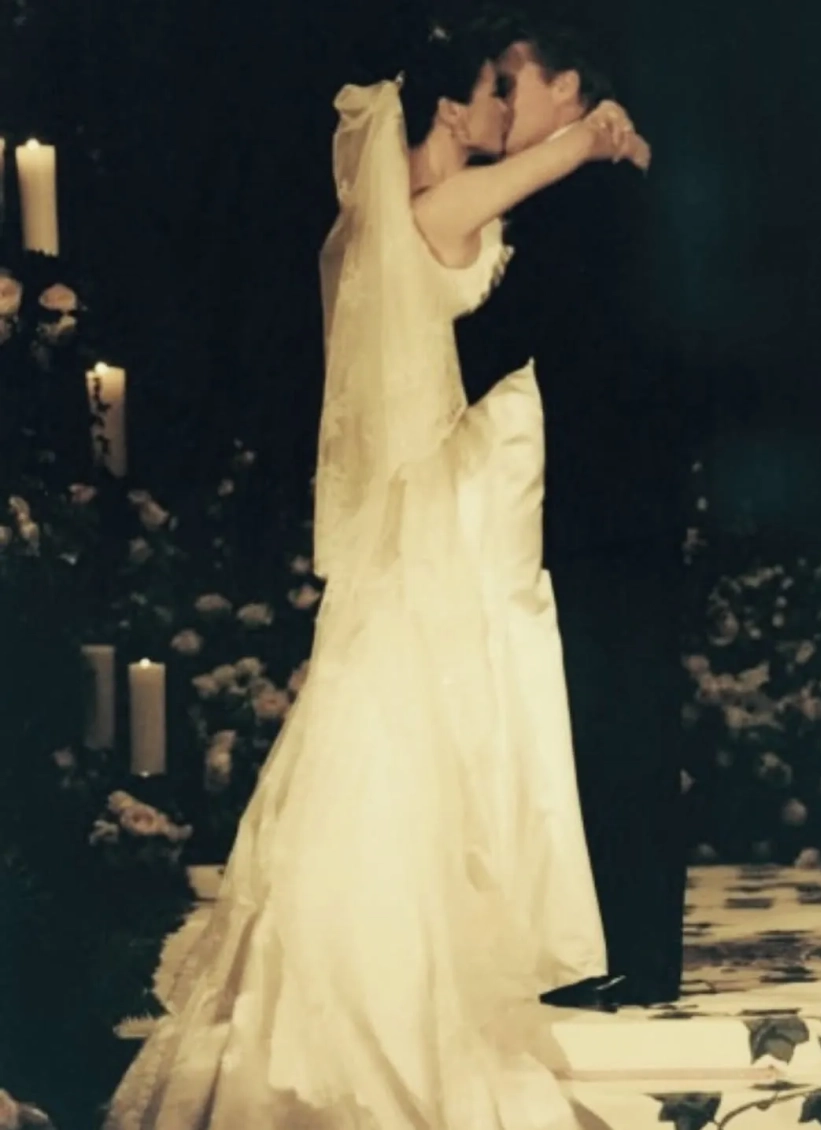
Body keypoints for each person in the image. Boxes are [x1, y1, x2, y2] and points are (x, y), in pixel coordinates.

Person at [104, 27, 649, 1130]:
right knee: (415, 743)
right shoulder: (435, 213)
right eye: (495, 92)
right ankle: (386, 993)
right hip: (447, 526)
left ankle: (404, 968)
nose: (506, 109)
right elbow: (557, 160)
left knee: (409, 736)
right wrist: (600, 134)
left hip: (453, 513)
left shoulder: (403, 212)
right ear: (450, 112)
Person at [456, 15, 688, 1008]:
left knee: (616, 720)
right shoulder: (599, 182)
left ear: (567, 89)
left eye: (514, 83)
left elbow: (498, 339)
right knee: (617, 716)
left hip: (606, 500)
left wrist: (397, 368)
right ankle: (627, 945)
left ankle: (631, 952)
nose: (503, 103)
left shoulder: (583, 196)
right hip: (623, 493)